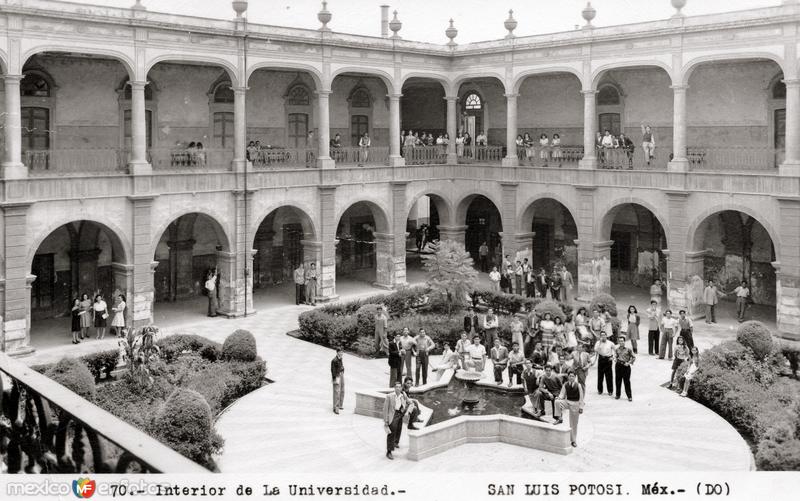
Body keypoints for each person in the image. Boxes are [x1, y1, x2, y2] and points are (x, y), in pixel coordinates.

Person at [553, 371, 584, 448]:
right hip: (567, 402)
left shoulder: (578, 385)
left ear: (575, 377)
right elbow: (562, 394)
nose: (571, 378)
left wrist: (581, 407)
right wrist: (559, 398)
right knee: (557, 402)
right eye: (570, 376)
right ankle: (559, 417)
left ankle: (573, 440)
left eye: (573, 376)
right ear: (568, 377)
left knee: (573, 424)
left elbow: (581, 397)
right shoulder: (566, 384)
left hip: (575, 405)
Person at [383, 382, 408, 459]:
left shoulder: (402, 396)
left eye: (399, 387)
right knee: (391, 431)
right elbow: (385, 409)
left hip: (399, 414)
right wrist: (386, 421)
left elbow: (406, 403)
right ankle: (389, 451)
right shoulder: (389, 396)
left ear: (401, 388)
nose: (398, 388)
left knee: (399, 429)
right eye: (396, 387)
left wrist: (404, 410)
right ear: (394, 388)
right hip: (392, 415)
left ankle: (395, 442)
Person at [613, 335, 635, 401]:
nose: (621, 342)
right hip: (618, 366)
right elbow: (615, 356)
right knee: (618, 381)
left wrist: (628, 363)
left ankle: (629, 396)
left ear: (624, 341)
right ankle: (617, 395)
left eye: (622, 341)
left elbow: (633, 357)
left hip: (626, 367)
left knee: (627, 382)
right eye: (620, 341)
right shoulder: (617, 349)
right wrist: (615, 359)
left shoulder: (628, 349)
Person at [594, 331, 615, 395]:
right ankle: (600, 390)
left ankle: (610, 391)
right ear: (600, 336)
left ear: (606, 336)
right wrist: (600, 343)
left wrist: (613, 357)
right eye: (601, 335)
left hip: (608, 359)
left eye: (604, 335)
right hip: (601, 359)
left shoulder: (610, 343)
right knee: (600, 375)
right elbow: (595, 350)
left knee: (609, 376)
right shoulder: (598, 343)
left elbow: (615, 351)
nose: (603, 336)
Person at [331, 348, 345, 414]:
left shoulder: (340, 358)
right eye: (340, 352)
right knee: (337, 392)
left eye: (342, 352)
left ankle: (340, 405)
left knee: (342, 390)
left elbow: (341, 366)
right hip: (337, 376)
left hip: (341, 375)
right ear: (337, 352)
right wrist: (334, 379)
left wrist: (343, 370)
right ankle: (335, 408)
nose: (342, 353)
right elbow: (333, 371)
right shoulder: (334, 360)